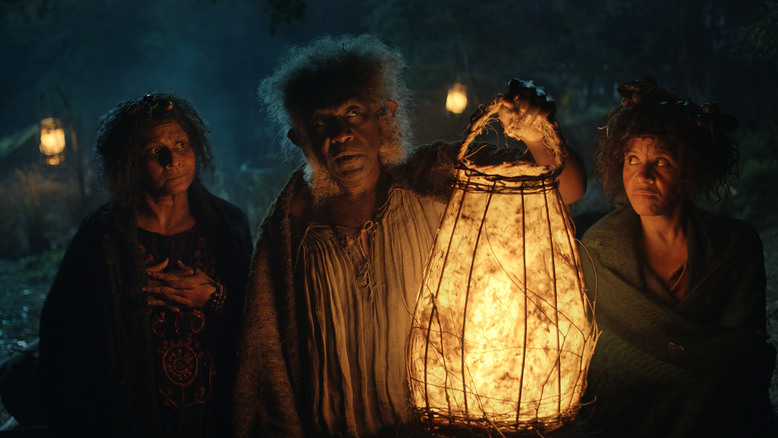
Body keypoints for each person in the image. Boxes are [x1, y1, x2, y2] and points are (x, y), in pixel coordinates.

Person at [233, 34, 586, 437]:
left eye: (354, 114)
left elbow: (568, 188)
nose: (341, 133)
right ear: (301, 137)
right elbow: (266, 361)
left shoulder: (433, 178)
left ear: (384, 118)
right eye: (321, 123)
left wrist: (537, 132)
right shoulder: (289, 227)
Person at [38, 93, 253, 438]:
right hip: (127, 419)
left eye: (181, 144)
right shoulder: (102, 236)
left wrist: (215, 296)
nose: (173, 159)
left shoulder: (228, 226)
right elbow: (62, 336)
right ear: (129, 162)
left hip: (217, 415)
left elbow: (259, 320)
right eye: (155, 151)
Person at [578, 76, 775, 437]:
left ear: (689, 171)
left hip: (719, 413)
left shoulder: (736, 245)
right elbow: (604, 354)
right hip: (626, 414)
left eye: (662, 161)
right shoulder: (600, 248)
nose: (642, 175)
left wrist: (695, 374)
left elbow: (744, 352)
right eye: (632, 158)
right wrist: (696, 373)